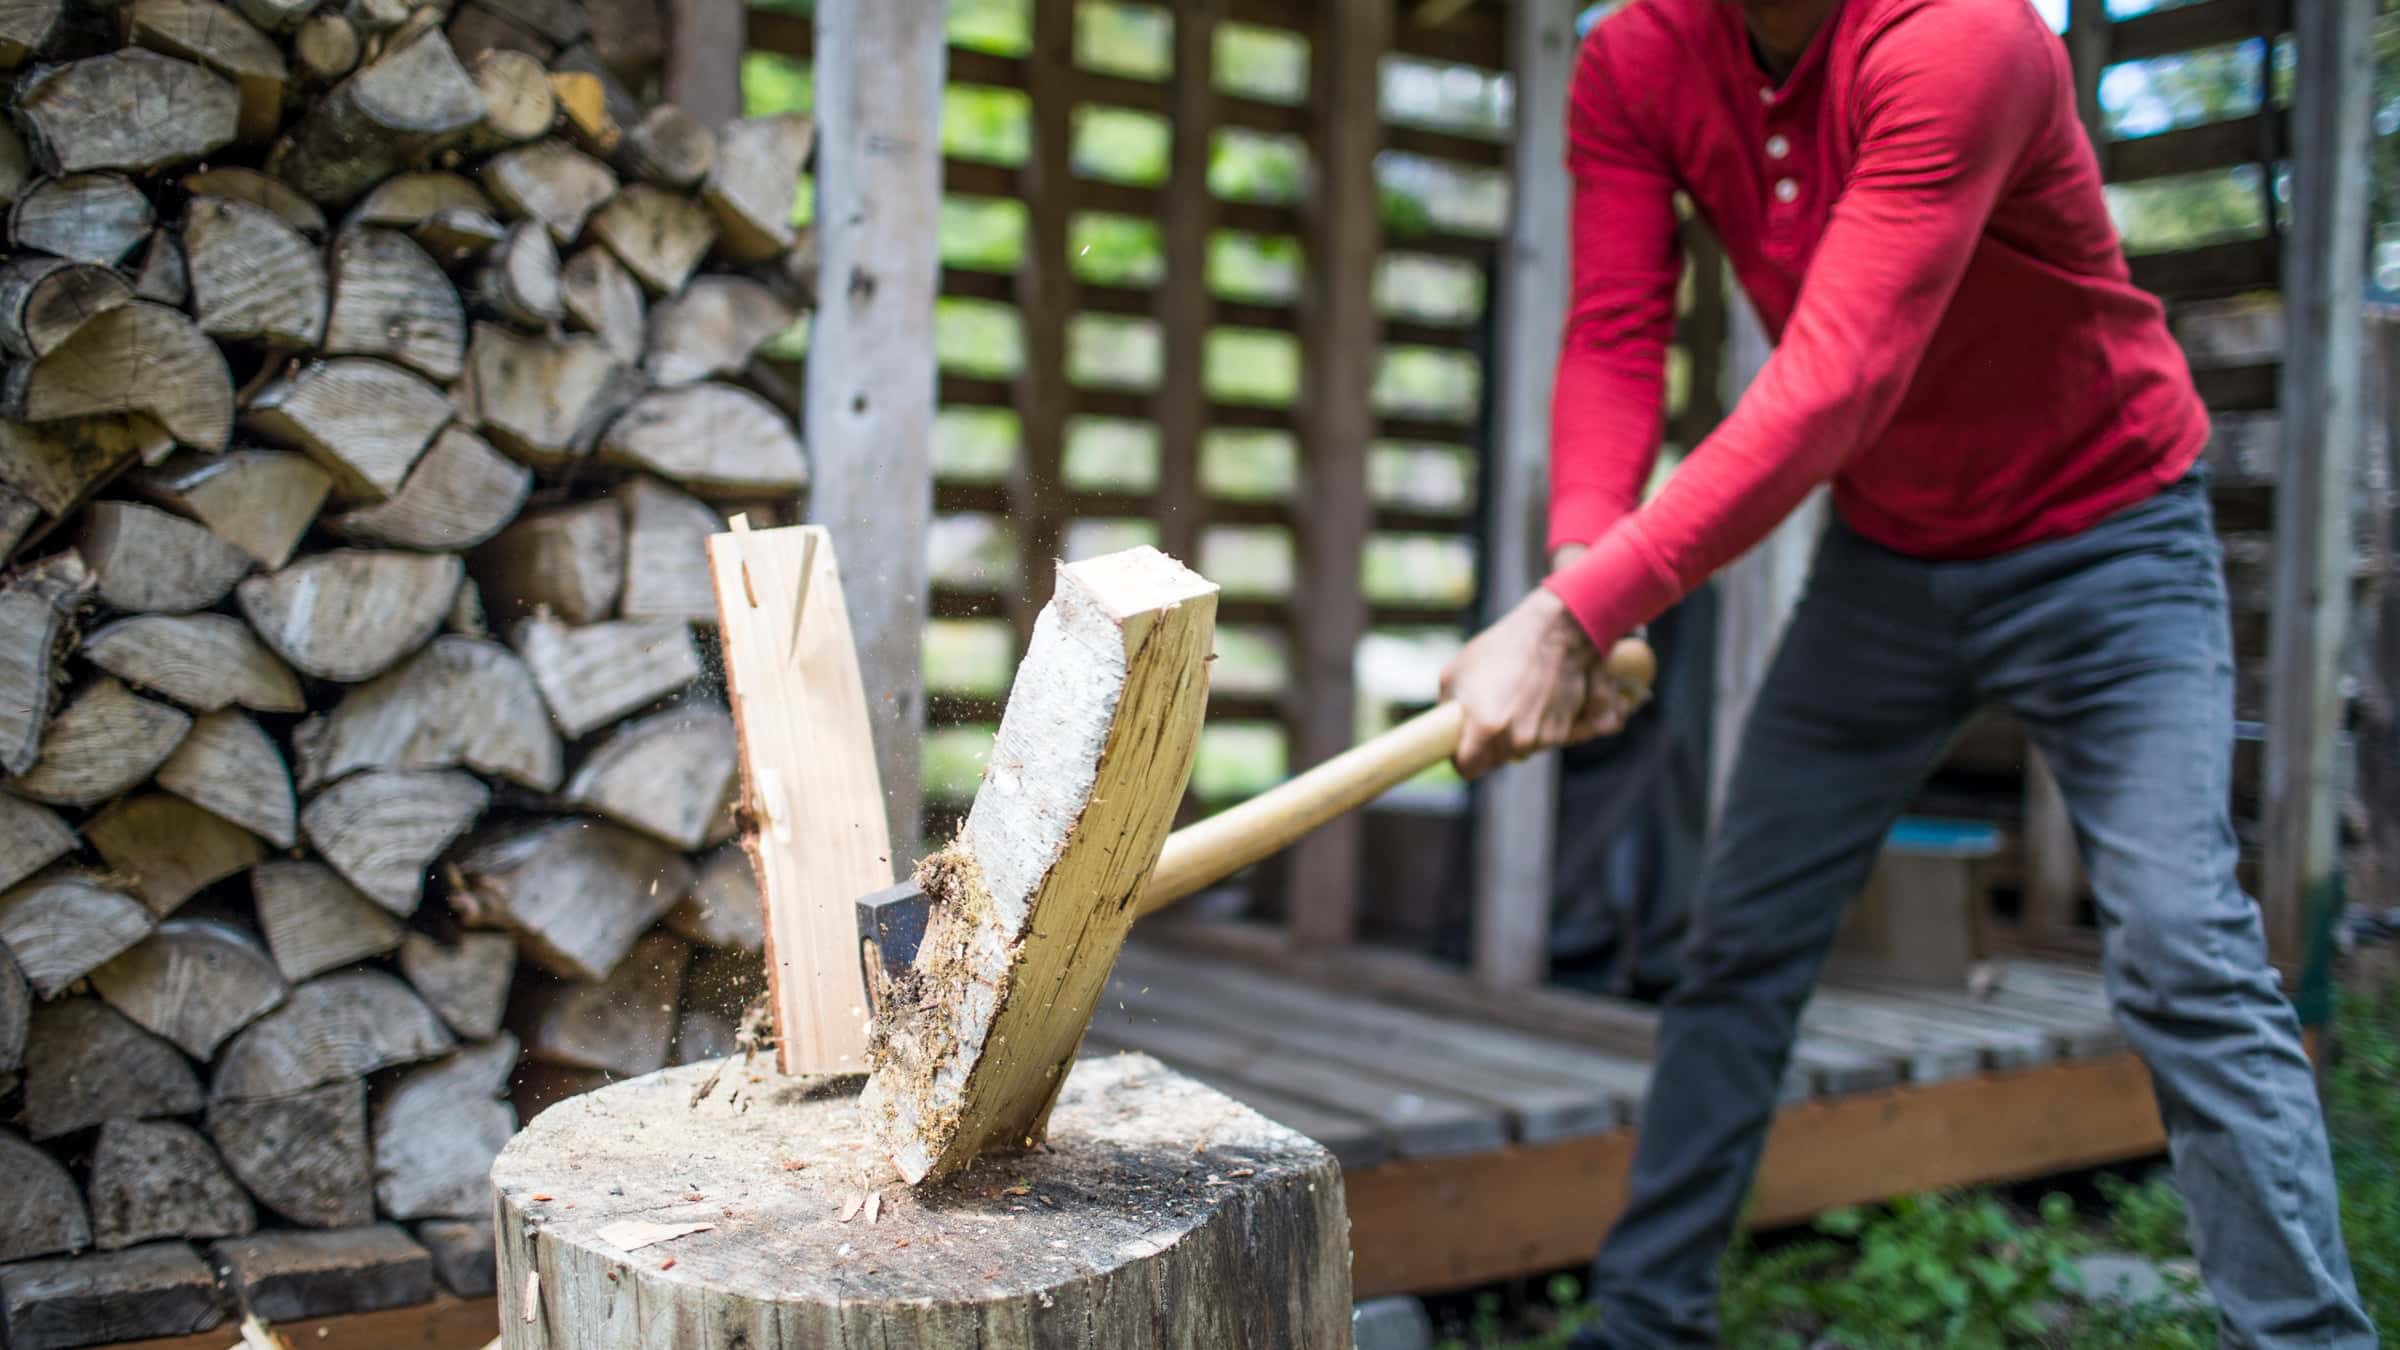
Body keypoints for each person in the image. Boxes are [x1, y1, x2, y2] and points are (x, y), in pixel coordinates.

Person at [1436, 0, 2376, 1345]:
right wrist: (1583, 565)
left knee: (2180, 943)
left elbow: (1833, 385)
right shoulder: (1632, 57)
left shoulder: (1964, 38)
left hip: (2106, 537)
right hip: (1890, 558)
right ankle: (1643, 1322)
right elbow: (1613, 332)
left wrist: (1573, 613)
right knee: (1738, 935)